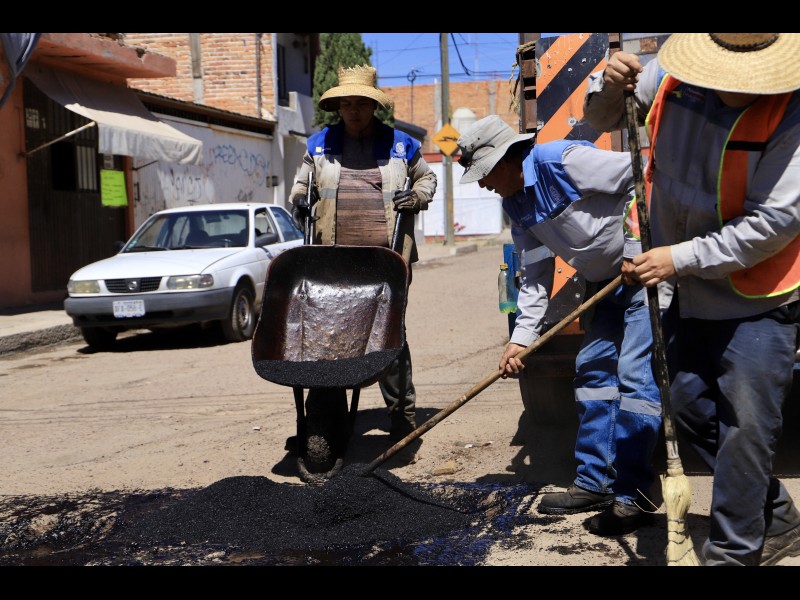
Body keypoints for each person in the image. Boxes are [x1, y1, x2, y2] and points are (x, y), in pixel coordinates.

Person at [582, 33, 800, 565]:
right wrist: (608, 85)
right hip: (689, 288)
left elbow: (774, 223)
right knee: (686, 408)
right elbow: (602, 118)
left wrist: (676, 258)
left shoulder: (791, 114)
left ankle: (733, 552)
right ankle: (778, 517)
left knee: (745, 427)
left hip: (758, 297)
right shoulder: (668, 77)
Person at [456, 114, 662, 535]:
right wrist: (521, 340)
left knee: (634, 375)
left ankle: (634, 494)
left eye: (484, 174)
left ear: (506, 160)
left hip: (645, 272)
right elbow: (535, 276)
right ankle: (596, 482)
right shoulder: (516, 204)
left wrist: (635, 247)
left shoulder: (561, 161)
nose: (482, 185)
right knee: (592, 369)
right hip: (604, 283)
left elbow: (642, 177)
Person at [288, 65, 437, 473]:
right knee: (329, 340)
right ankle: (327, 421)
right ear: (338, 107)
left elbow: (427, 180)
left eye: (361, 104)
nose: (353, 111)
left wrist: (416, 197)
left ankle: (402, 419)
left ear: (374, 107)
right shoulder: (319, 145)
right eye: (347, 104)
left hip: (386, 261)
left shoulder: (401, 145)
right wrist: (299, 200)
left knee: (389, 338)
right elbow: (300, 187)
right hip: (332, 262)